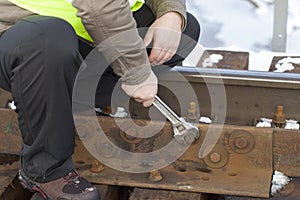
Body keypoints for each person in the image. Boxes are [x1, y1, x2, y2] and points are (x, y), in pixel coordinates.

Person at [0, 0, 200, 199]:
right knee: (48, 39)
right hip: (20, 31)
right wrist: (135, 72)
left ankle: (58, 92)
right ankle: (46, 170)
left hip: (86, 31)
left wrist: (171, 14)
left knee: (183, 30)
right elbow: (99, 6)